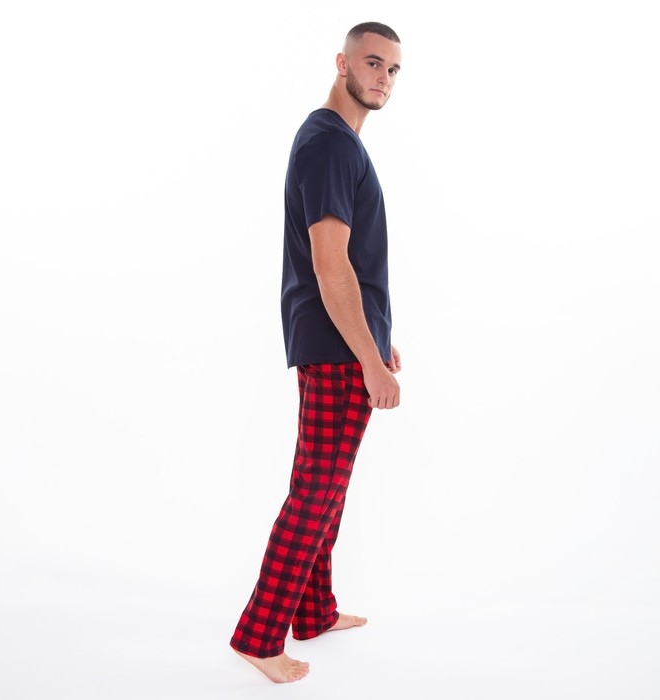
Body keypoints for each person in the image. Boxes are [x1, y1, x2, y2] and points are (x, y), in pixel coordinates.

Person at [229, 21, 403, 684]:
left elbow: (349, 266)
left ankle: (314, 610)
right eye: (372, 62)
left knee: (327, 488)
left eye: (393, 69)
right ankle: (259, 635)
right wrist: (369, 360)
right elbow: (331, 267)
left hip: (342, 342)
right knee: (315, 492)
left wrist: (379, 337)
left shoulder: (337, 143)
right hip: (336, 349)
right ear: (342, 63)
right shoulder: (330, 143)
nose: (383, 78)